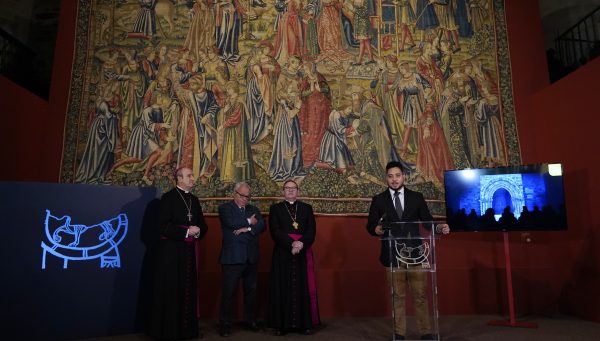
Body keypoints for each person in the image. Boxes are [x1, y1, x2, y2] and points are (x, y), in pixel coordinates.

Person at [366, 161, 450, 340]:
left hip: (416, 254)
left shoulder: (416, 197)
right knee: (398, 296)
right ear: (386, 178)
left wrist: (439, 228)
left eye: (397, 175)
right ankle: (399, 333)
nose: (394, 179)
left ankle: (426, 332)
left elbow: (427, 222)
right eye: (390, 176)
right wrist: (377, 229)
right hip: (392, 255)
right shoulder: (379, 199)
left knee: (420, 295)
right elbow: (371, 225)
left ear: (404, 176)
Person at [150, 167, 208, 340]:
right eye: (189, 176)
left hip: (190, 253)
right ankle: (170, 332)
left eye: (192, 175)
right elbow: (162, 226)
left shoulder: (194, 200)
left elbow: (202, 225)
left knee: (188, 290)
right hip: (171, 254)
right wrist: (186, 232)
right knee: (172, 290)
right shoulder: (168, 198)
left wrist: (197, 231)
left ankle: (187, 330)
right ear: (179, 179)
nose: (192, 178)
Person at [267, 180, 320, 335]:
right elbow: (275, 230)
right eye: (287, 188)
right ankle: (281, 325)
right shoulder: (275, 209)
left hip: (303, 253)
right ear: (283, 191)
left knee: (303, 287)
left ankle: (305, 324)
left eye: (293, 188)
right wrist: (292, 243)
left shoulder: (306, 208)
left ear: (298, 191)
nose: (290, 191)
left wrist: (301, 243)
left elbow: (311, 231)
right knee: (282, 287)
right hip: (283, 253)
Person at [218, 182, 266, 337]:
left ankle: (250, 320)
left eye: (248, 196)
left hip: (251, 258)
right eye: (243, 196)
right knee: (228, 293)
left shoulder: (254, 209)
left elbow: (262, 226)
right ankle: (225, 324)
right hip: (232, 258)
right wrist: (248, 222)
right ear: (235, 194)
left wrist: (248, 228)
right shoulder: (225, 208)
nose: (246, 199)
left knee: (251, 292)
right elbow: (230, 223)